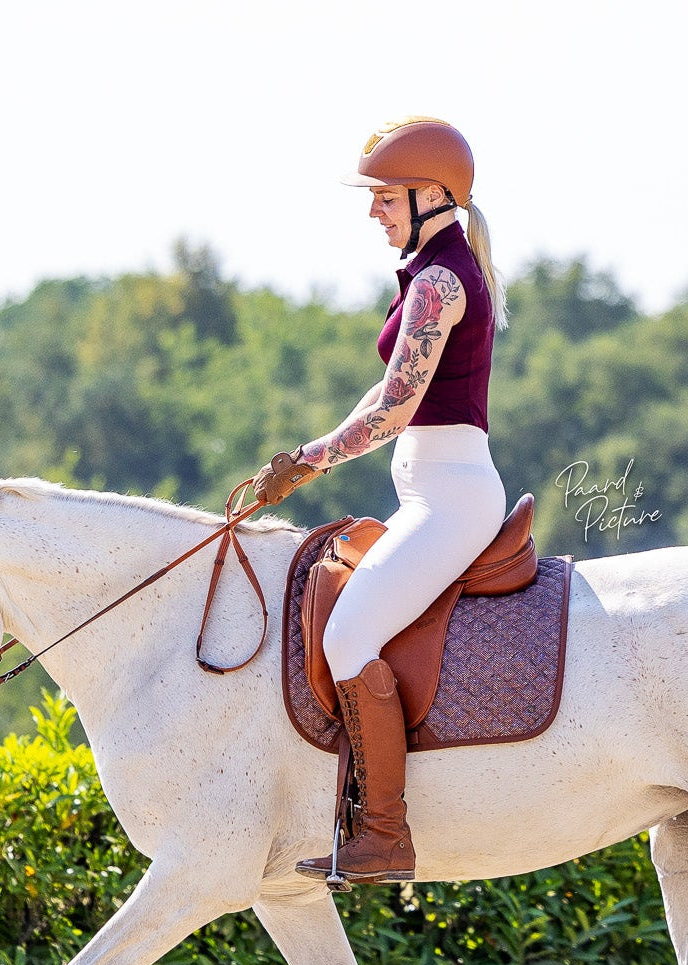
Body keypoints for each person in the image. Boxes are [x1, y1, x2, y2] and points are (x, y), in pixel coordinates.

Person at [252, 116, 510, 885]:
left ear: (432, 194)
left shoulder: (439, 282)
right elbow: (388, 386)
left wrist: (308, 461)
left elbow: (394, 412)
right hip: (432, 488)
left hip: (453, 497)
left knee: (348, 634)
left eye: (385, 197)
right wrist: (316, 447)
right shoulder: (432, 272)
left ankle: (384, 833)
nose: (374, 211)